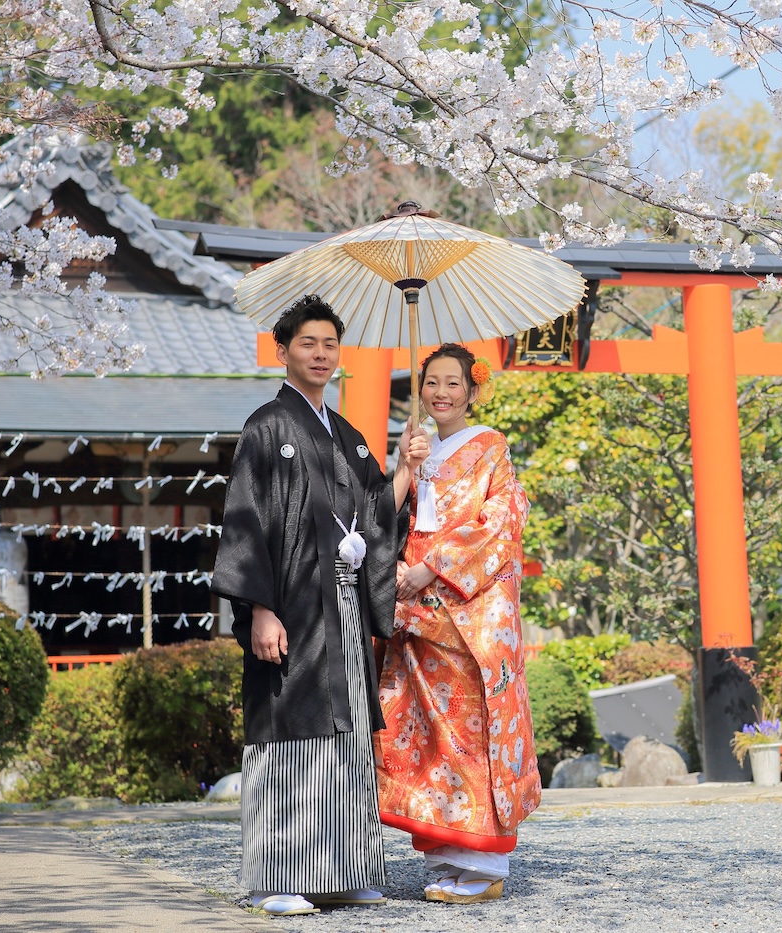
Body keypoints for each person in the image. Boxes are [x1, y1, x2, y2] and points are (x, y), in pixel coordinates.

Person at [211, 295, 429, 917]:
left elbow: (376, 512)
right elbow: (247, 520)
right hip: (292, 604)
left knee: (349, 734)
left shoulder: (349, 436)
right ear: (283, 351)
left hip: (345, 608)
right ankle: (278, 878)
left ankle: (349, 869)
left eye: (330, 344)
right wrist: (259, 608)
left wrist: (405, 469)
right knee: (288, 734)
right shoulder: (267, 427)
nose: (322, 354)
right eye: (308, 343)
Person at [375, 343, 541, 905]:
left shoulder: (491, 447)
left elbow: (502, 522)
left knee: (471, 726)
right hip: (417, 605)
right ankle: (452, 856)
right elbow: (387, 517)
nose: (441, 393)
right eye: (431, 383)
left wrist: (430, 568)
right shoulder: (417, 446)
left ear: (473, 391)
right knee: (430, 731)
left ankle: (487, 862)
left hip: (466, 607)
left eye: (453, 383)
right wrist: (405, 467)